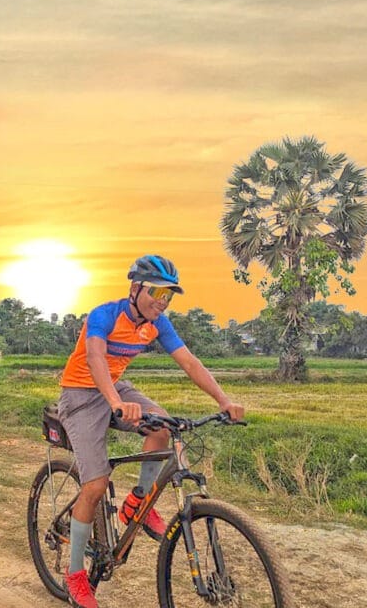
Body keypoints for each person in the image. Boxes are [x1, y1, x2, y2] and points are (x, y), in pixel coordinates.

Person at [57, 255, 245, 608]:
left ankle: (137, 502)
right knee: (95, 485)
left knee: (163, 426)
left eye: (168, 295)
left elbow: (188, 360)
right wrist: (115, 402)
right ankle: (75, 575)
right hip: (80, 395)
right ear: (135, 288)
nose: (162, 301)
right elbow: (96, 358)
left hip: (115, 388)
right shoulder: (105, 315)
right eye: (156, 292)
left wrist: (223, 399)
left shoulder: (157, 324)